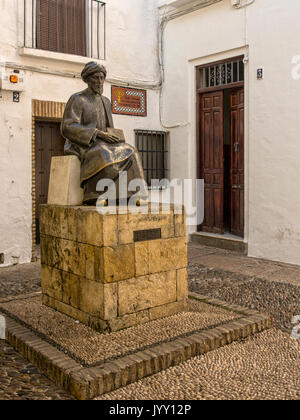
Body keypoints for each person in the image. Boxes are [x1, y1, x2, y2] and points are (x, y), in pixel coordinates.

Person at [61, 61, 147, 205]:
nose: (100, 81)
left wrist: (114, 136)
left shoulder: (106, 101)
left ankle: (135, 194)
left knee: (130, 150)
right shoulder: (77, 99)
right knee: (103, 153)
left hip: (104, 142)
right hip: (83, 144)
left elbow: (109, 127)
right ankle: (93, 195)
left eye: (102, 77)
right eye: (96, 78)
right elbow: (67, 127)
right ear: (87, 79)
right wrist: (96, 134)